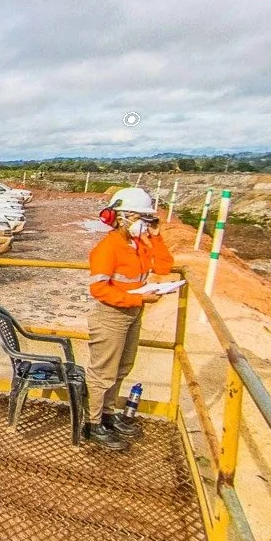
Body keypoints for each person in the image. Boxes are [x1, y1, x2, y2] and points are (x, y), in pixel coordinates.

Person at [84, 186, 180, 451]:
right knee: (103, 373)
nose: (144, 224)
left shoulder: (139, 246)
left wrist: (157, 237)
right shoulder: (108, 248)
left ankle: (108, 414)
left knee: (122, 367)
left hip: (132, 313)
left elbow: (163, 267)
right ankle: (91, 424)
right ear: (124, 217)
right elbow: (99, 289)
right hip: (112, 316)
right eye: (140, 218)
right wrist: (139, 299)